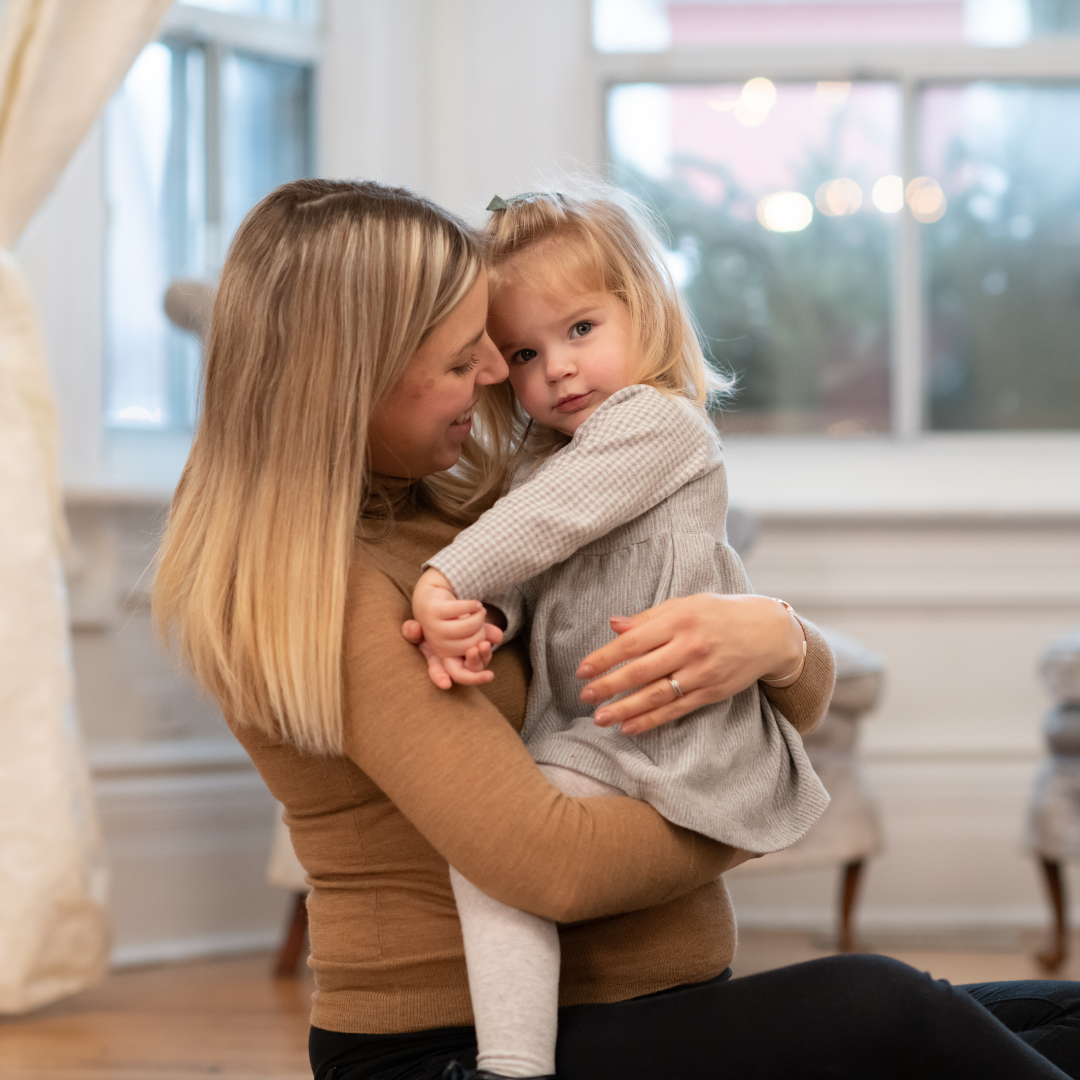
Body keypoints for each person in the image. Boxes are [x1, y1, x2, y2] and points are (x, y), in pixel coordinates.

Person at [152, 178, 1080, 1080]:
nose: (497, 376)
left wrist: (776, 638)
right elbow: (548, 866)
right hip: (451, 1047)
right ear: (354, 379)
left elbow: (774, 699)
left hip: (646, 1011)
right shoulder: (342, 591)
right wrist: (750, 798)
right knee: (880, 1007)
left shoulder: (465, 515)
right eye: (468, 358)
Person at [409, 188, 830, 1080]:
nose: (558, 370)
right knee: (497, 850)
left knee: (495, 852)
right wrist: (487, 618)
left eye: (581, 329)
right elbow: (533, 571)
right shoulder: (542, 460)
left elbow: (544, 525)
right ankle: (517, 1057)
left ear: (646, 308)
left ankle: (512, 1066)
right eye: (526, 353)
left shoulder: (657, 423)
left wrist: (447, 577)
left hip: (673, 730)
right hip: (603, 729)